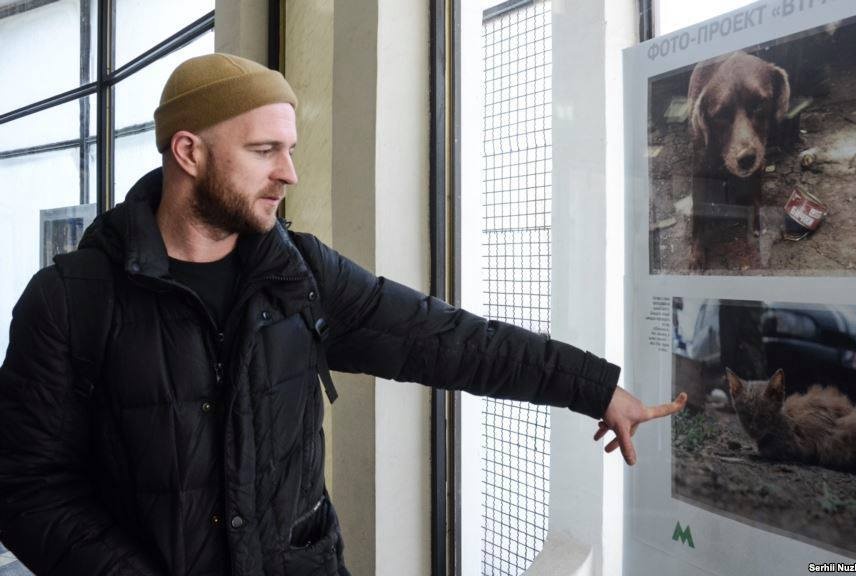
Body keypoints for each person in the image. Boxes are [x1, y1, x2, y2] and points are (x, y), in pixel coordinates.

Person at [0, 53, 685, 576]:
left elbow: (448, 338)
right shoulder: (71, 301)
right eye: (264, 150)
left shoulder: (300, 276)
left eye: (289, 149)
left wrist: (593, 387)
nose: (288, 172)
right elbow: (25, 488)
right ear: (189, 152)